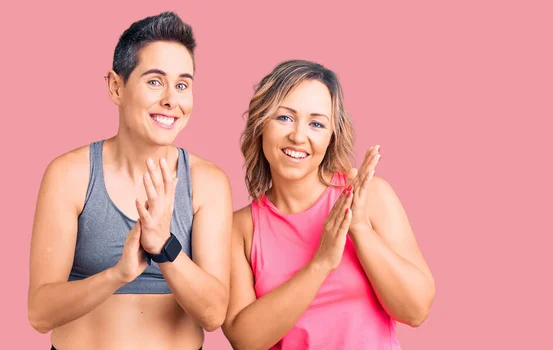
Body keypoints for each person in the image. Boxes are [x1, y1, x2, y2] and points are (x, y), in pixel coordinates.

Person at [27, 12, 231, 350]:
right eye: (155, 81)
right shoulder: (70, 175)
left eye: (182, 84)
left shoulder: (208, 183)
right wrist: (118, 274)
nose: (171, 99)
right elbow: (40, 313)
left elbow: (213, 314)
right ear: (115, 86)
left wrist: (165, 247)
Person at [222, 60, 435, 349]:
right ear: (260, 124)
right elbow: (245, 340)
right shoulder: (241, 229)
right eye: (284, 118)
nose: (298, 136)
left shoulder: (371, 197)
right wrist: (320, 264)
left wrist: (360, 229)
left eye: (317, 124)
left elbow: (415, 311)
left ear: (332, 136)